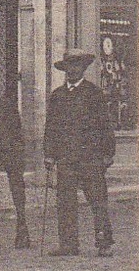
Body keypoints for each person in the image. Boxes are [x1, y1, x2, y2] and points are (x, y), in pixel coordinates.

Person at [44, 50, 116, 257]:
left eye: (77, 66)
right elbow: (51, 127)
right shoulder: (57, 96)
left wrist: (108, 153)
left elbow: (105, 125)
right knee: (65, 202)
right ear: (65, 70)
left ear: (83, 69)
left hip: (90, 158)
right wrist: (49, 154)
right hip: (66, 158)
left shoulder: (94, 94)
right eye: (69, 67)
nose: (72, 71)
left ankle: (103, 242)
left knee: (97, 200)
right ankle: (68, 244)